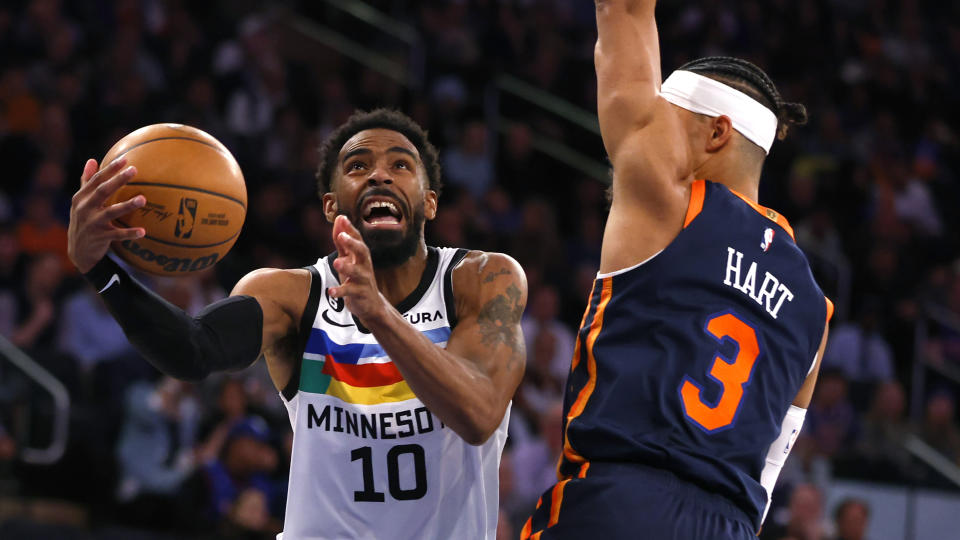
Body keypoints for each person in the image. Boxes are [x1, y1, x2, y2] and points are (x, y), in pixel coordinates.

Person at [67, 109, 527, 539]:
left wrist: (379, 315)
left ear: (429, 203)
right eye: (358, 166)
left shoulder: (482, 280)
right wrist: (102, 272)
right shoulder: (291, 294)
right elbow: (195, 349)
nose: (380, 174)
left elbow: (478, 414)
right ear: (331, 206)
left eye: (401, 165)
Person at [522, 2, 832, 539]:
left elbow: (623, 12)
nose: (652, 134)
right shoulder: (815, 308)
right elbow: (770, 467)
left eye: (669, 122)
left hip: (620, 501)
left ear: (717, 133)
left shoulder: (669, 202)